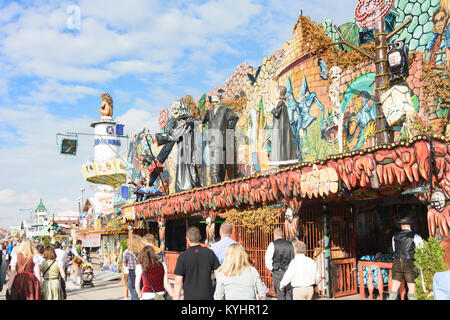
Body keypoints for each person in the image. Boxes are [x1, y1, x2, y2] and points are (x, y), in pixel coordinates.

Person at [173, 227, 220, 300]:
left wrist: (176, 298)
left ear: (187, 239)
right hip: (207, 295)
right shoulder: (209, 253)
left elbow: (178, 281)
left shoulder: (183, 256)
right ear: (200, 237)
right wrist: (218, 294)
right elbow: (219, 275)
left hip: (190, 296)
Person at [388, 217, 424, 300]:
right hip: (409, 262)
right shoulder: (416, 236)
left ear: (401, 226)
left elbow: (394, 249)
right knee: (411, 288)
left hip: (397, 261)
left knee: (394, 287)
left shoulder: (395, 236)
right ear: (410, 225)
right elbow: (421, 251)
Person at [265, 228, 295, 300]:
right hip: (289, 271)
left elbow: (267, 260)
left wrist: (272, 270)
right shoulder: (291, 244)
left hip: (277, 271)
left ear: (274, 235)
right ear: (282, 234)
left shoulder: (272, 244)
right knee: (288, 292)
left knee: (280, 293)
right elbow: (294, 258)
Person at [123, 234, 145, 300]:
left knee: (134, 294)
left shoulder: (126, 252)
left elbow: (125, 264)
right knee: (143, 294)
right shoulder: (143, 252)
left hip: (132, 273)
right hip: (142, 273)